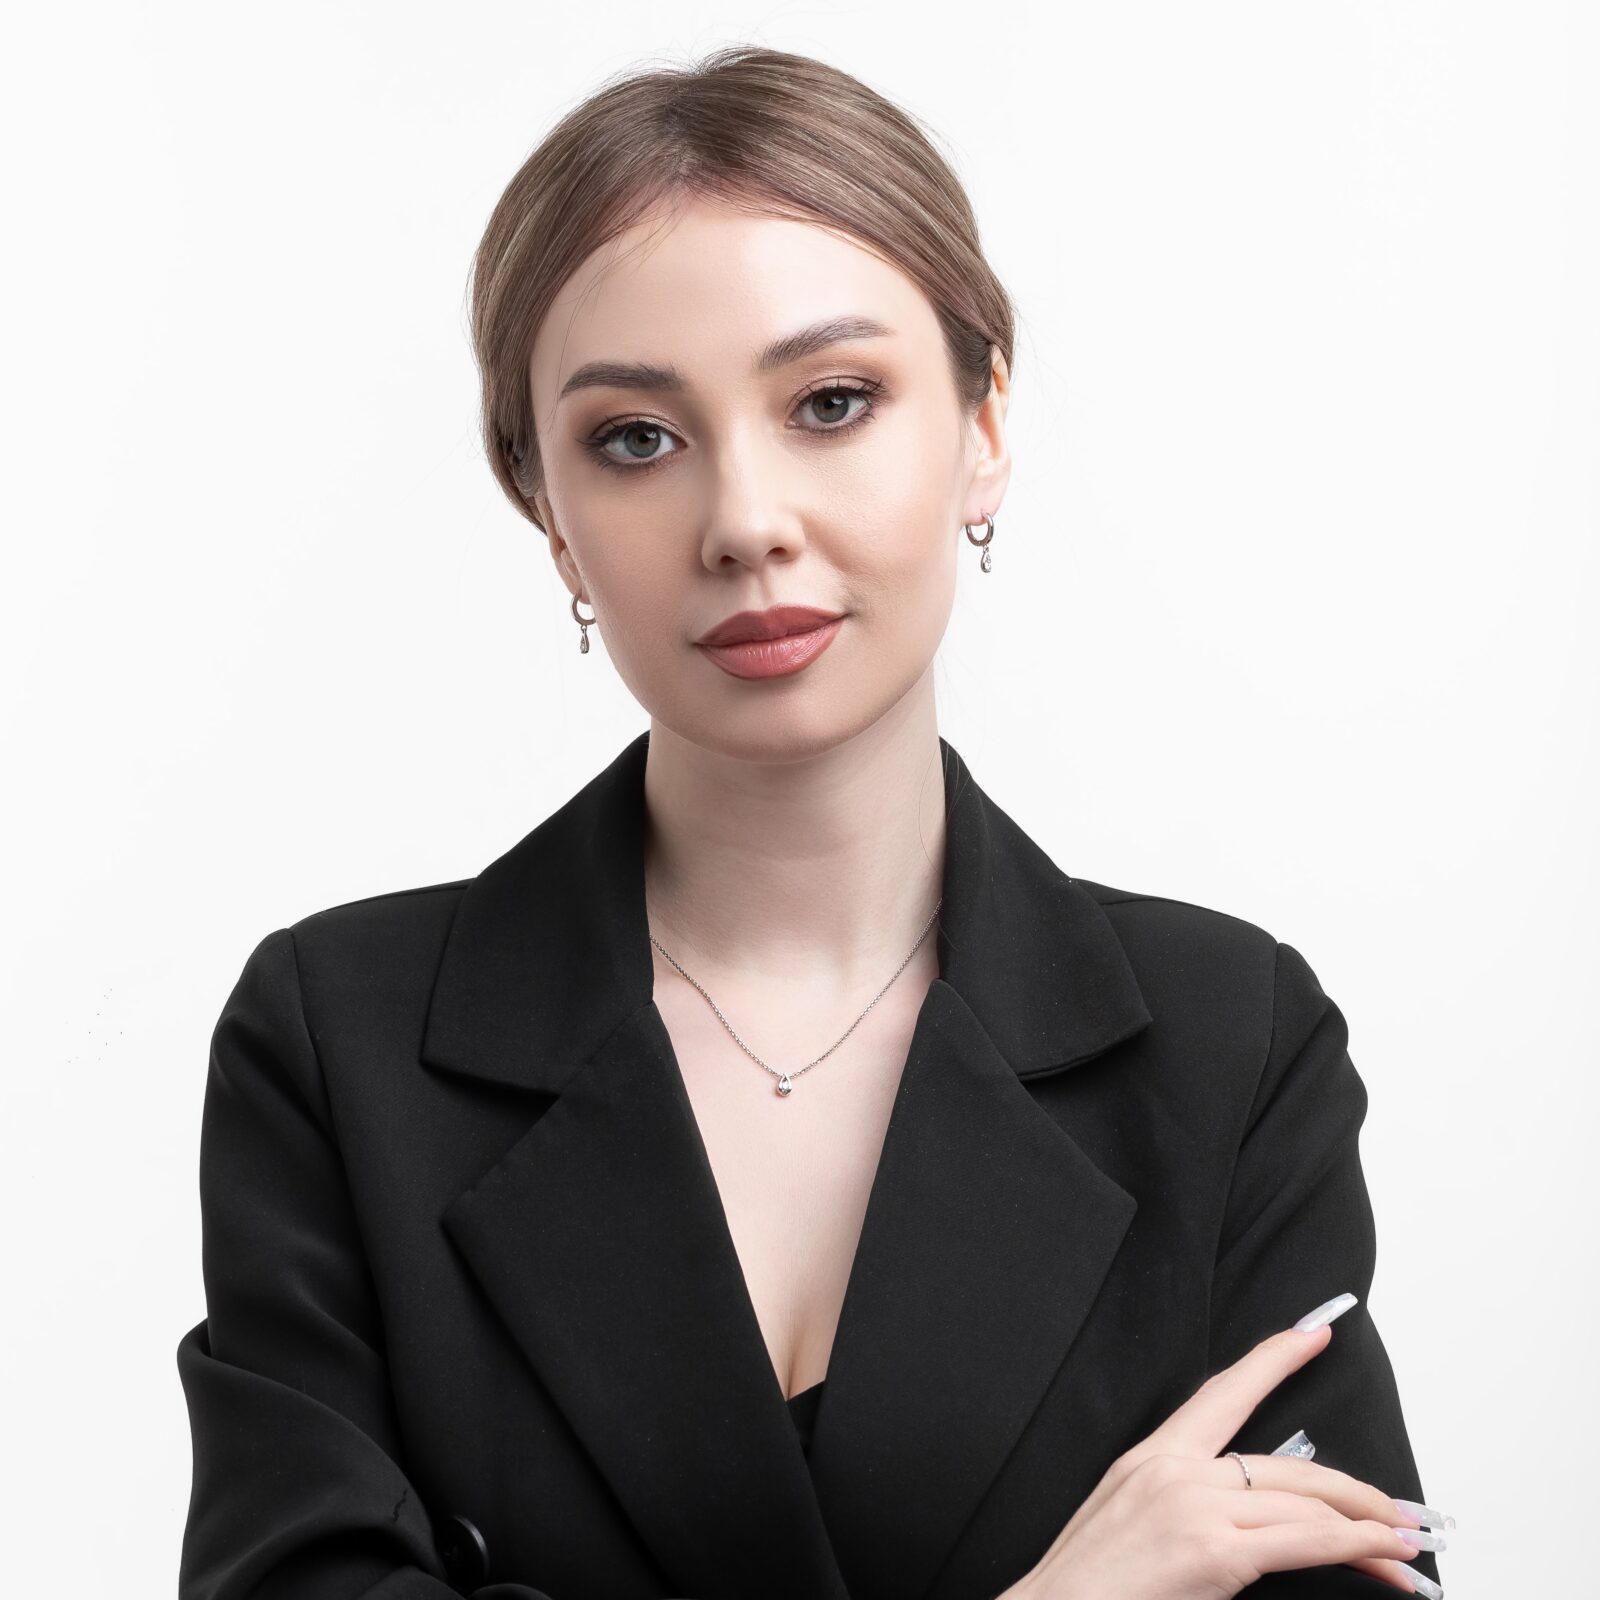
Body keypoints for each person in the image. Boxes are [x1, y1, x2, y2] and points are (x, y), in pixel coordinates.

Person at [175, 44, 1448, 1600]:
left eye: (833, 403)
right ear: (548, 514)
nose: (745, 521)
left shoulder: (1228, 1045)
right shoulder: (340, 1046)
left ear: (984, 424)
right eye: (635, 438)